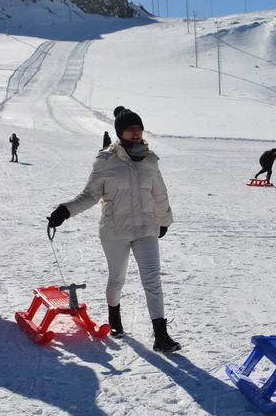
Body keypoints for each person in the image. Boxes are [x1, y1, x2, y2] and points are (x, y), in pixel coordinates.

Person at [46, 107, 179, 353]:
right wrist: (65, 211)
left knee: (152, 280)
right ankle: (114, 317)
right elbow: (90, 195)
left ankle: (161, 336)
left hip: (146, 229)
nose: (137, 133)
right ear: (120, 132)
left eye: (139, 129)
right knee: (117, 278)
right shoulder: (106, 160)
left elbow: (159, 193)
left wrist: (164, 221)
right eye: (131, 129)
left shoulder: (150, 160)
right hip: (115, 231)